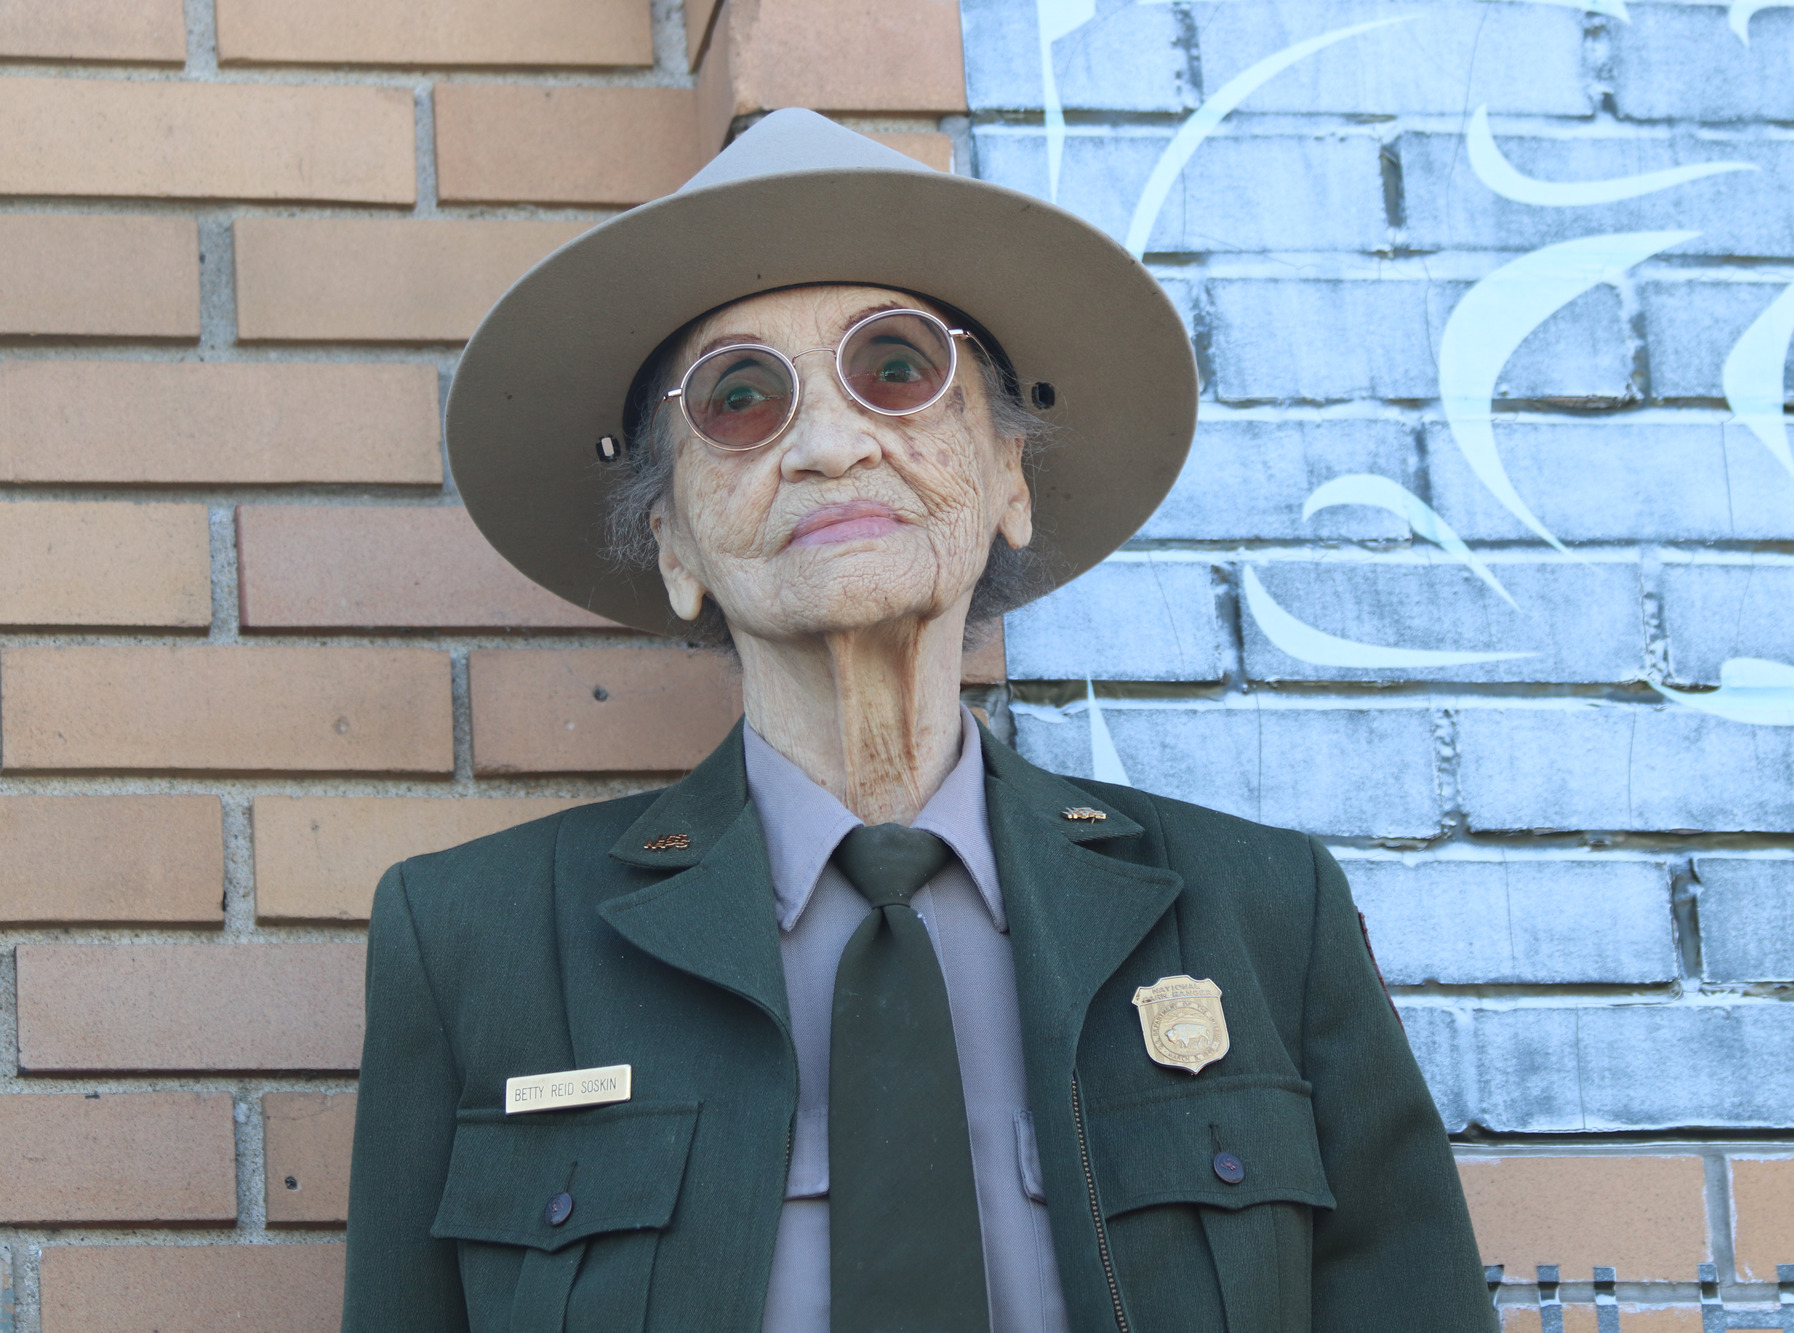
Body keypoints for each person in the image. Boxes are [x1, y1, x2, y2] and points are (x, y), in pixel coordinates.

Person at [342, 108, 1494, 1333]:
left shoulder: (1262, 914)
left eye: (896, 370)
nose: (832, 446)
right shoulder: (473, 943)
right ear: (673, 543)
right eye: (740, 401)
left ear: (1007, 478)